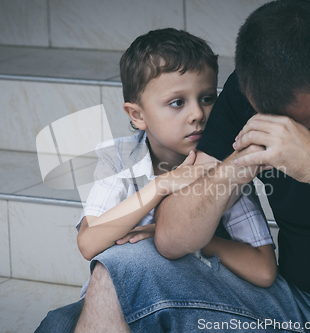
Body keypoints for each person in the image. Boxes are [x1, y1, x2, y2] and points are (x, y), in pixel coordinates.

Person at [65, 0, 310, 332]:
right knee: (121, 269)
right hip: (290, 308)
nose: (298, 140)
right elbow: (171, 239)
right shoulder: (246, 95)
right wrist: (237, 165)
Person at [34, 28, 277, 333]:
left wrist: (192, 241)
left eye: (206, 98)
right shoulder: (119, 157)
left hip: (194, 302)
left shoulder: (220, 166)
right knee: (54, 324)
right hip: (120, 297)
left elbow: (264, 269)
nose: (197, 114)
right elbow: (88, 242)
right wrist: (160, 186)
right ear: (137, 115)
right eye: (177, 102)